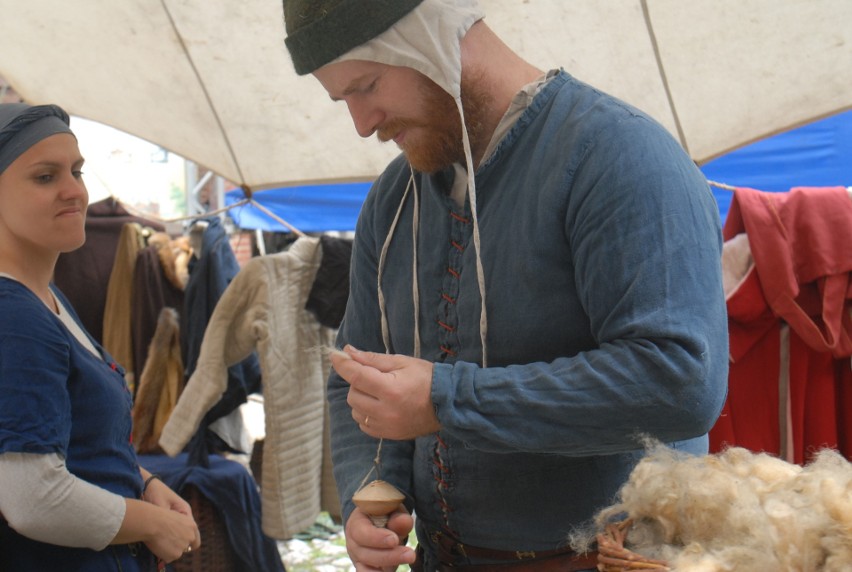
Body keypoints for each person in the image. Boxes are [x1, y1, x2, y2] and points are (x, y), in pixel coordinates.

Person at [282, 1, 729, 570]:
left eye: (367, 86)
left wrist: (447, 399)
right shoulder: (394, 201)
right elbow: (354, 379)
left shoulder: (621, 156)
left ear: (433, 40)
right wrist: (367, 496)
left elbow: (680, 382)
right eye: (343, 100)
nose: (363, 123)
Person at [0, 102, 201, 571]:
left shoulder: (46, 299)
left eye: (77, 171)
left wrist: (144, 481)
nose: (74, 191)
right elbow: (32, 497)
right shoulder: (14, 318)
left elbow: (78, 445)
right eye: (45, 177)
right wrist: (152, 524)